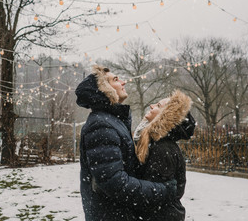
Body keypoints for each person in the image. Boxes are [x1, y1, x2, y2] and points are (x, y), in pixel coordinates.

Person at [75, 64, 177, 221]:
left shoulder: (112, 121)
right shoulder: (101, 125)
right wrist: (163, 190)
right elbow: (115, 184)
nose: (123, 82)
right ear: (104, 90)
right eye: (116, 79)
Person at [134, 90, 196, 221]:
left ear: (165, 116)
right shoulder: (155, 143)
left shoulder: (162, 148)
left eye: (158, 106)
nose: (151, 106)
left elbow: (158, 194)